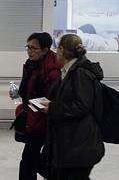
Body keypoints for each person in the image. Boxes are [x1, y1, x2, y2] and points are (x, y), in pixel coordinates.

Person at [40, 34, 105, 180]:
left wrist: (53, 108)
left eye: (57, 49)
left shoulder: (80, 73)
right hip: (72, 143)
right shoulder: (70, 71)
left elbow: (82, 105)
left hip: (78, 144)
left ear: (61, 49)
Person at [17, 32, 61, 180]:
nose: (30, 51)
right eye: (28, 47)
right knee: (30, 159)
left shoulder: (52, 69)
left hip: (45, 119)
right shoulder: (32, 64)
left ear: (45, 49)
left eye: (34, 48)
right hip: (34, 116)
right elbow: (29, 89)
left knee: (30, 160)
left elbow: (53, 96)